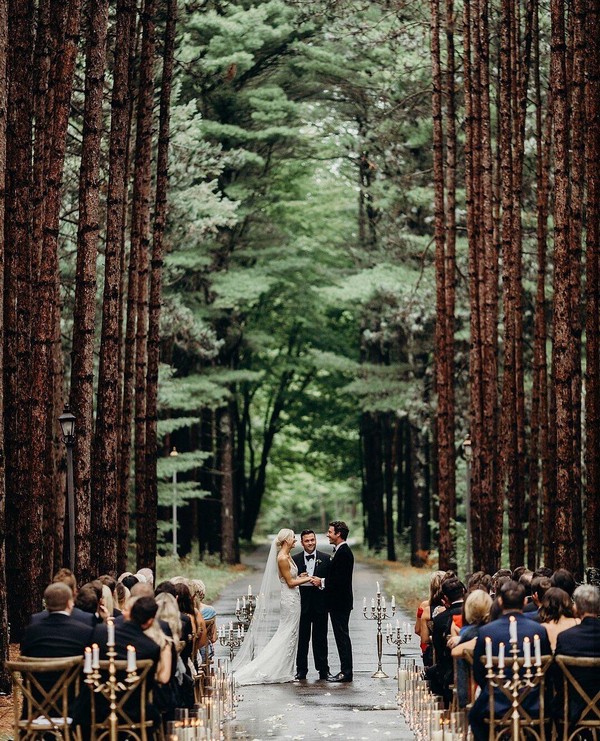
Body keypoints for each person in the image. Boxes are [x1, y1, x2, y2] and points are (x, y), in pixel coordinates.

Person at [468, 581, 552, 741]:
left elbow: (478, 671)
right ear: (525, 602)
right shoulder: (539, 630)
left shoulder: (486, 631)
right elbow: (547, 668)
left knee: (474, 716)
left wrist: (494, 687)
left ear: (499, 602)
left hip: (496, 700)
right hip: (533, 700)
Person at [232, 529, 313, 685]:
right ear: (286, 540)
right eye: (293, 537)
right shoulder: (282, 557)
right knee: (286, 632)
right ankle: (274, 667)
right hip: (289, 600)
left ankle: (285, 670)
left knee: (292, 634)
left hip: (295, 598)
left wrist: (300, 577)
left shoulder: (288, 556)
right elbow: (289, 583)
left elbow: (289, 577)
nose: (295, 540)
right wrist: (308, 578)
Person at [311, 520, 355, 683]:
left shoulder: (344, 553)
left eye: (330, 532)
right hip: (338, 602)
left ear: (338, 534)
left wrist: (321, 582)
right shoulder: (340, 551)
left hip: (340, 603)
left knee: (342, 637)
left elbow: (340, 581)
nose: (327, 534)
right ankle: (345, 671)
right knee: (341, 636)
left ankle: (346, 672)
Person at [554, 585, 600, 725]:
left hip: (572, 707)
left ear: (576, 608)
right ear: (598, 609)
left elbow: (557, 675)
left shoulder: (566, 637)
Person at [292, 529, 331, 680]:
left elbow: (331, 581)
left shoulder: (326, 558)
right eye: (307, 541)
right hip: (302, 605)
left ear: (315, 540)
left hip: (320, 604)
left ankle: (323, 669)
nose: (310, 543)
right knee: (302, 638)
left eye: (312, 540)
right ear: (302, 543)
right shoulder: (294, 559)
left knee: (321, 638)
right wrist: (298, 578)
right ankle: (301, 669)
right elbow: (289, 581)